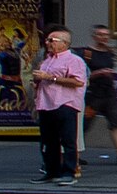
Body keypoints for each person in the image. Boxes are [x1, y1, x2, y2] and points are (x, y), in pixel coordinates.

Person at [76, 24, 117, 165]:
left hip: (108, 93)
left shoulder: (110, 52)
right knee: (84, 124)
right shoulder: (86, 53)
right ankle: (75, 154)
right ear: (94, 36)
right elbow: (80, 76)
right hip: (92, 95)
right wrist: (98, 73)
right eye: (100, 34)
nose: (103, 38)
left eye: (106, 35)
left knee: (116, 121)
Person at [32, 29, 88, 185]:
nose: (47, 43)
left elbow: (78, 82)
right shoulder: (47, 60)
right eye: (47, 40)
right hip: (45, 104)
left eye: (52, 40)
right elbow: (42, 79)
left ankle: (68, 171)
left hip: (65, 103)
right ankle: (52, 171)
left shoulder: (74, 60)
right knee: (48, 140)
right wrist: (37, 81)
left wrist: (51, 77)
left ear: (64, 43)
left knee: (68, 139)